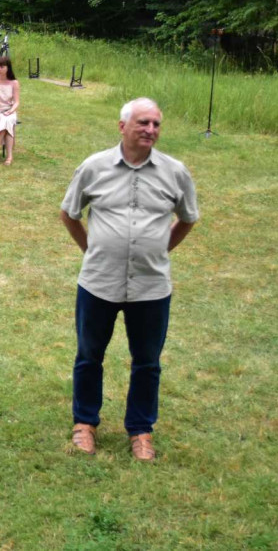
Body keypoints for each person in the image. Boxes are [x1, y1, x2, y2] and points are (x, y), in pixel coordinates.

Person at [60, 98, 199, 463]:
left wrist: (162, 248)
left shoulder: (175, 172)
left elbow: (188, 217)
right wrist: (90, 249)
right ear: (122, 126)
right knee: (89, 355)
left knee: (148, 362)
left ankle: (140, 430)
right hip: (99, 282)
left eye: (156, 124)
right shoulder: (94, 167)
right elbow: (69, 213)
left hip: (151, 286)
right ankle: (85, 423)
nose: (150, 130)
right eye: (143, 123)